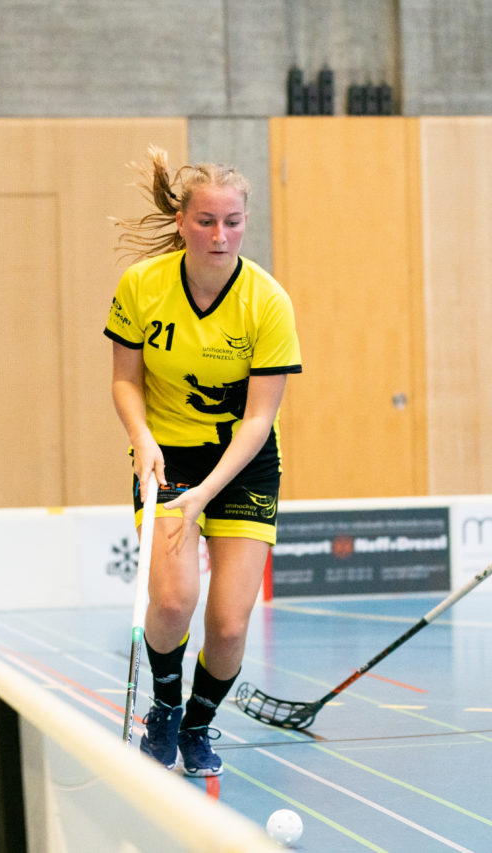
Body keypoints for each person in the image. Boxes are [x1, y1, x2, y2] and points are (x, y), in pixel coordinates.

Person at [104, 147, 302, 775]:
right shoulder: (142, 287)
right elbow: (125, 381)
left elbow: (258, 419)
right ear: (183, 221)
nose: (221, 236)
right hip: (167, 457)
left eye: (234, 222)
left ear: (247, 222)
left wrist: (206, 493)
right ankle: (163, 708)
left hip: (241, 461)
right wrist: (143, 438)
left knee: (228, 624)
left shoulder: (267, 302)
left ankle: (198, 723)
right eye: (208, 221)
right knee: (170, 602)